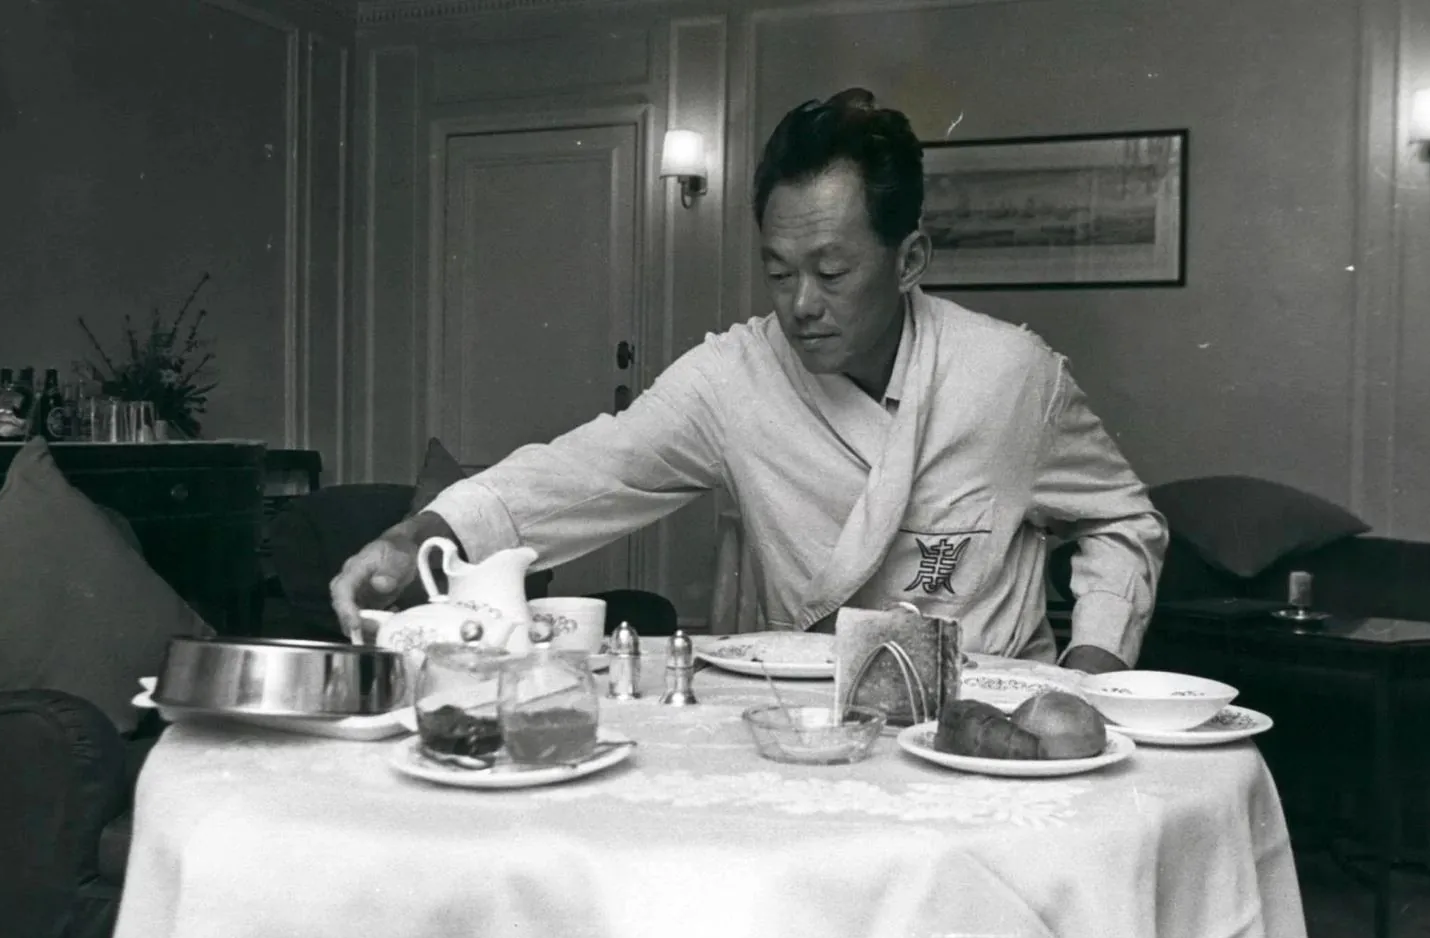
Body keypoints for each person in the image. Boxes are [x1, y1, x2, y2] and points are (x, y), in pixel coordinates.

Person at [330, 88, 1168, 674]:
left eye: (832, 272)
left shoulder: (1010, 377)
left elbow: (1125, 519)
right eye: (778, 271)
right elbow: (590, 467)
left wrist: (1094, 663)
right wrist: (417, 538)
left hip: (987, 720)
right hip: (806, 711)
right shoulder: (735, 376)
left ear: (910, 259)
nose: (802, 306)